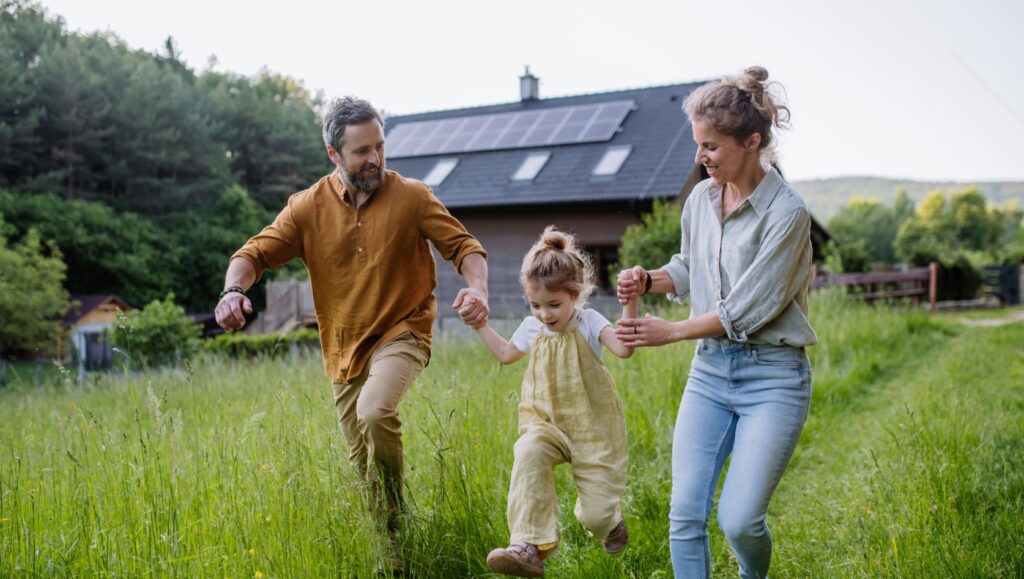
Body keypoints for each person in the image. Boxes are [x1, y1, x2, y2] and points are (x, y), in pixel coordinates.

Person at [213, 96, 490, 574]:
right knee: (363, 471)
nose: (376, 159)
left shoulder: (413, 196)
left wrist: (477, 288)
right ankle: (394, 554)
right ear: (333, 154)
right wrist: (232, 291)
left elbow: (464, 246)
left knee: (376, 410)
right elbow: (253, 254)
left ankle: (397, 516)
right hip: (343, 349)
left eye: (380, 146)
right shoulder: (305, 208)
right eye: (363, 151)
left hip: (403, 331)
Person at [615, 66, 817, 579]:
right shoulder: (701, 200)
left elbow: (749, 307)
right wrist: (649, 279)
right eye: (698, 144)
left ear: (751, 142)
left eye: (711, 146)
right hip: (710, 373)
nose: (699, 157)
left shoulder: (787, 215)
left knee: (739, 520)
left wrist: (673, 331)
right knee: (684, 514)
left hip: (773, 377)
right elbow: (689, 266)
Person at [467, 226, 635, 578]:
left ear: (577, 294)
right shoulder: (532, 327)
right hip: (545, 424)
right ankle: (528, 546)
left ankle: (611, 522)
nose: (545, 314)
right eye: (536, 305)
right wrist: (480, 323)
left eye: (554, 304)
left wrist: (629, 302)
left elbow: (624, 348)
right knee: (527, 451)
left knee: (595, 518)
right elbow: (504, 353)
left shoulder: (589, 322)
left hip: (593, 428)